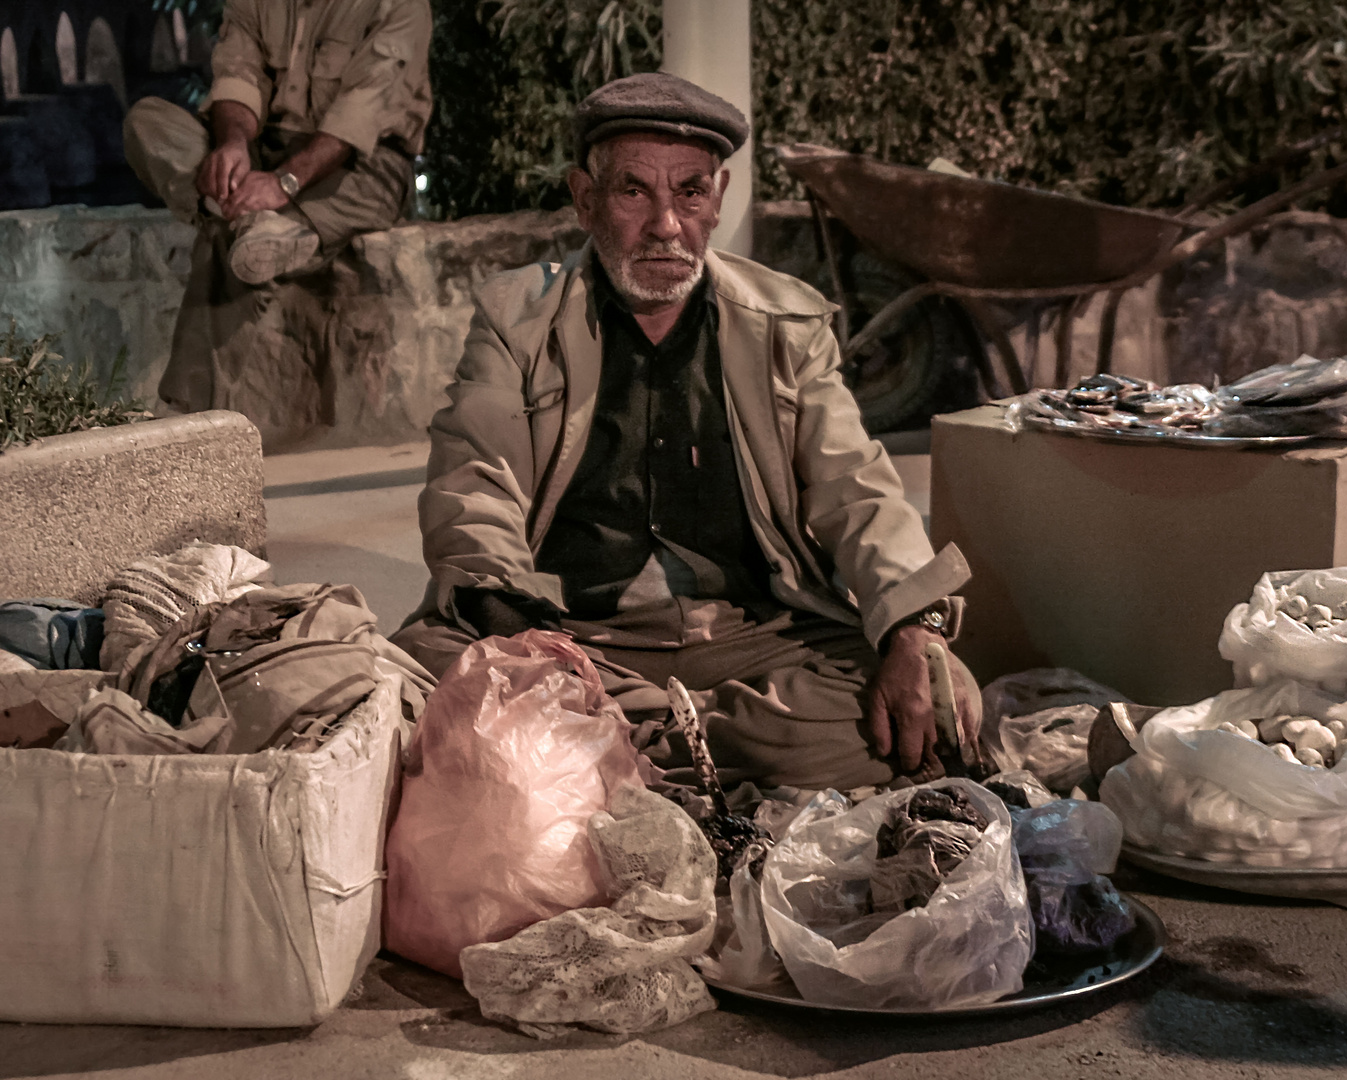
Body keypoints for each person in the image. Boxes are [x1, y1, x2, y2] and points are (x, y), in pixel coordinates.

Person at [392, 72, 980, 793]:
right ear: (585, 199)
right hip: (572, 635)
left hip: (749, 638)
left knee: (930, 703)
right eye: (633, 191)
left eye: (690, 192)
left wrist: (913, 627)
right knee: (404, 677)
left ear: (718, 199)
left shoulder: (784, 326)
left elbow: (855, 486)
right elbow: (472, 484)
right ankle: (679, 745)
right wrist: (528, 647)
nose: (666, 225)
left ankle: (615, 749)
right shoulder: (517, 321)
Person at [122, 0, 431, 410]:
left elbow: (359, 111)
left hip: (363, 162)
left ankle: (191, 413)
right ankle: (254, 219)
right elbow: (239, 75)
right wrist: (233, 144)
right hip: (267, 149)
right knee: (149, 121)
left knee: (230, 250)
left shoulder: (399, 6)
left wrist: (285, 183)